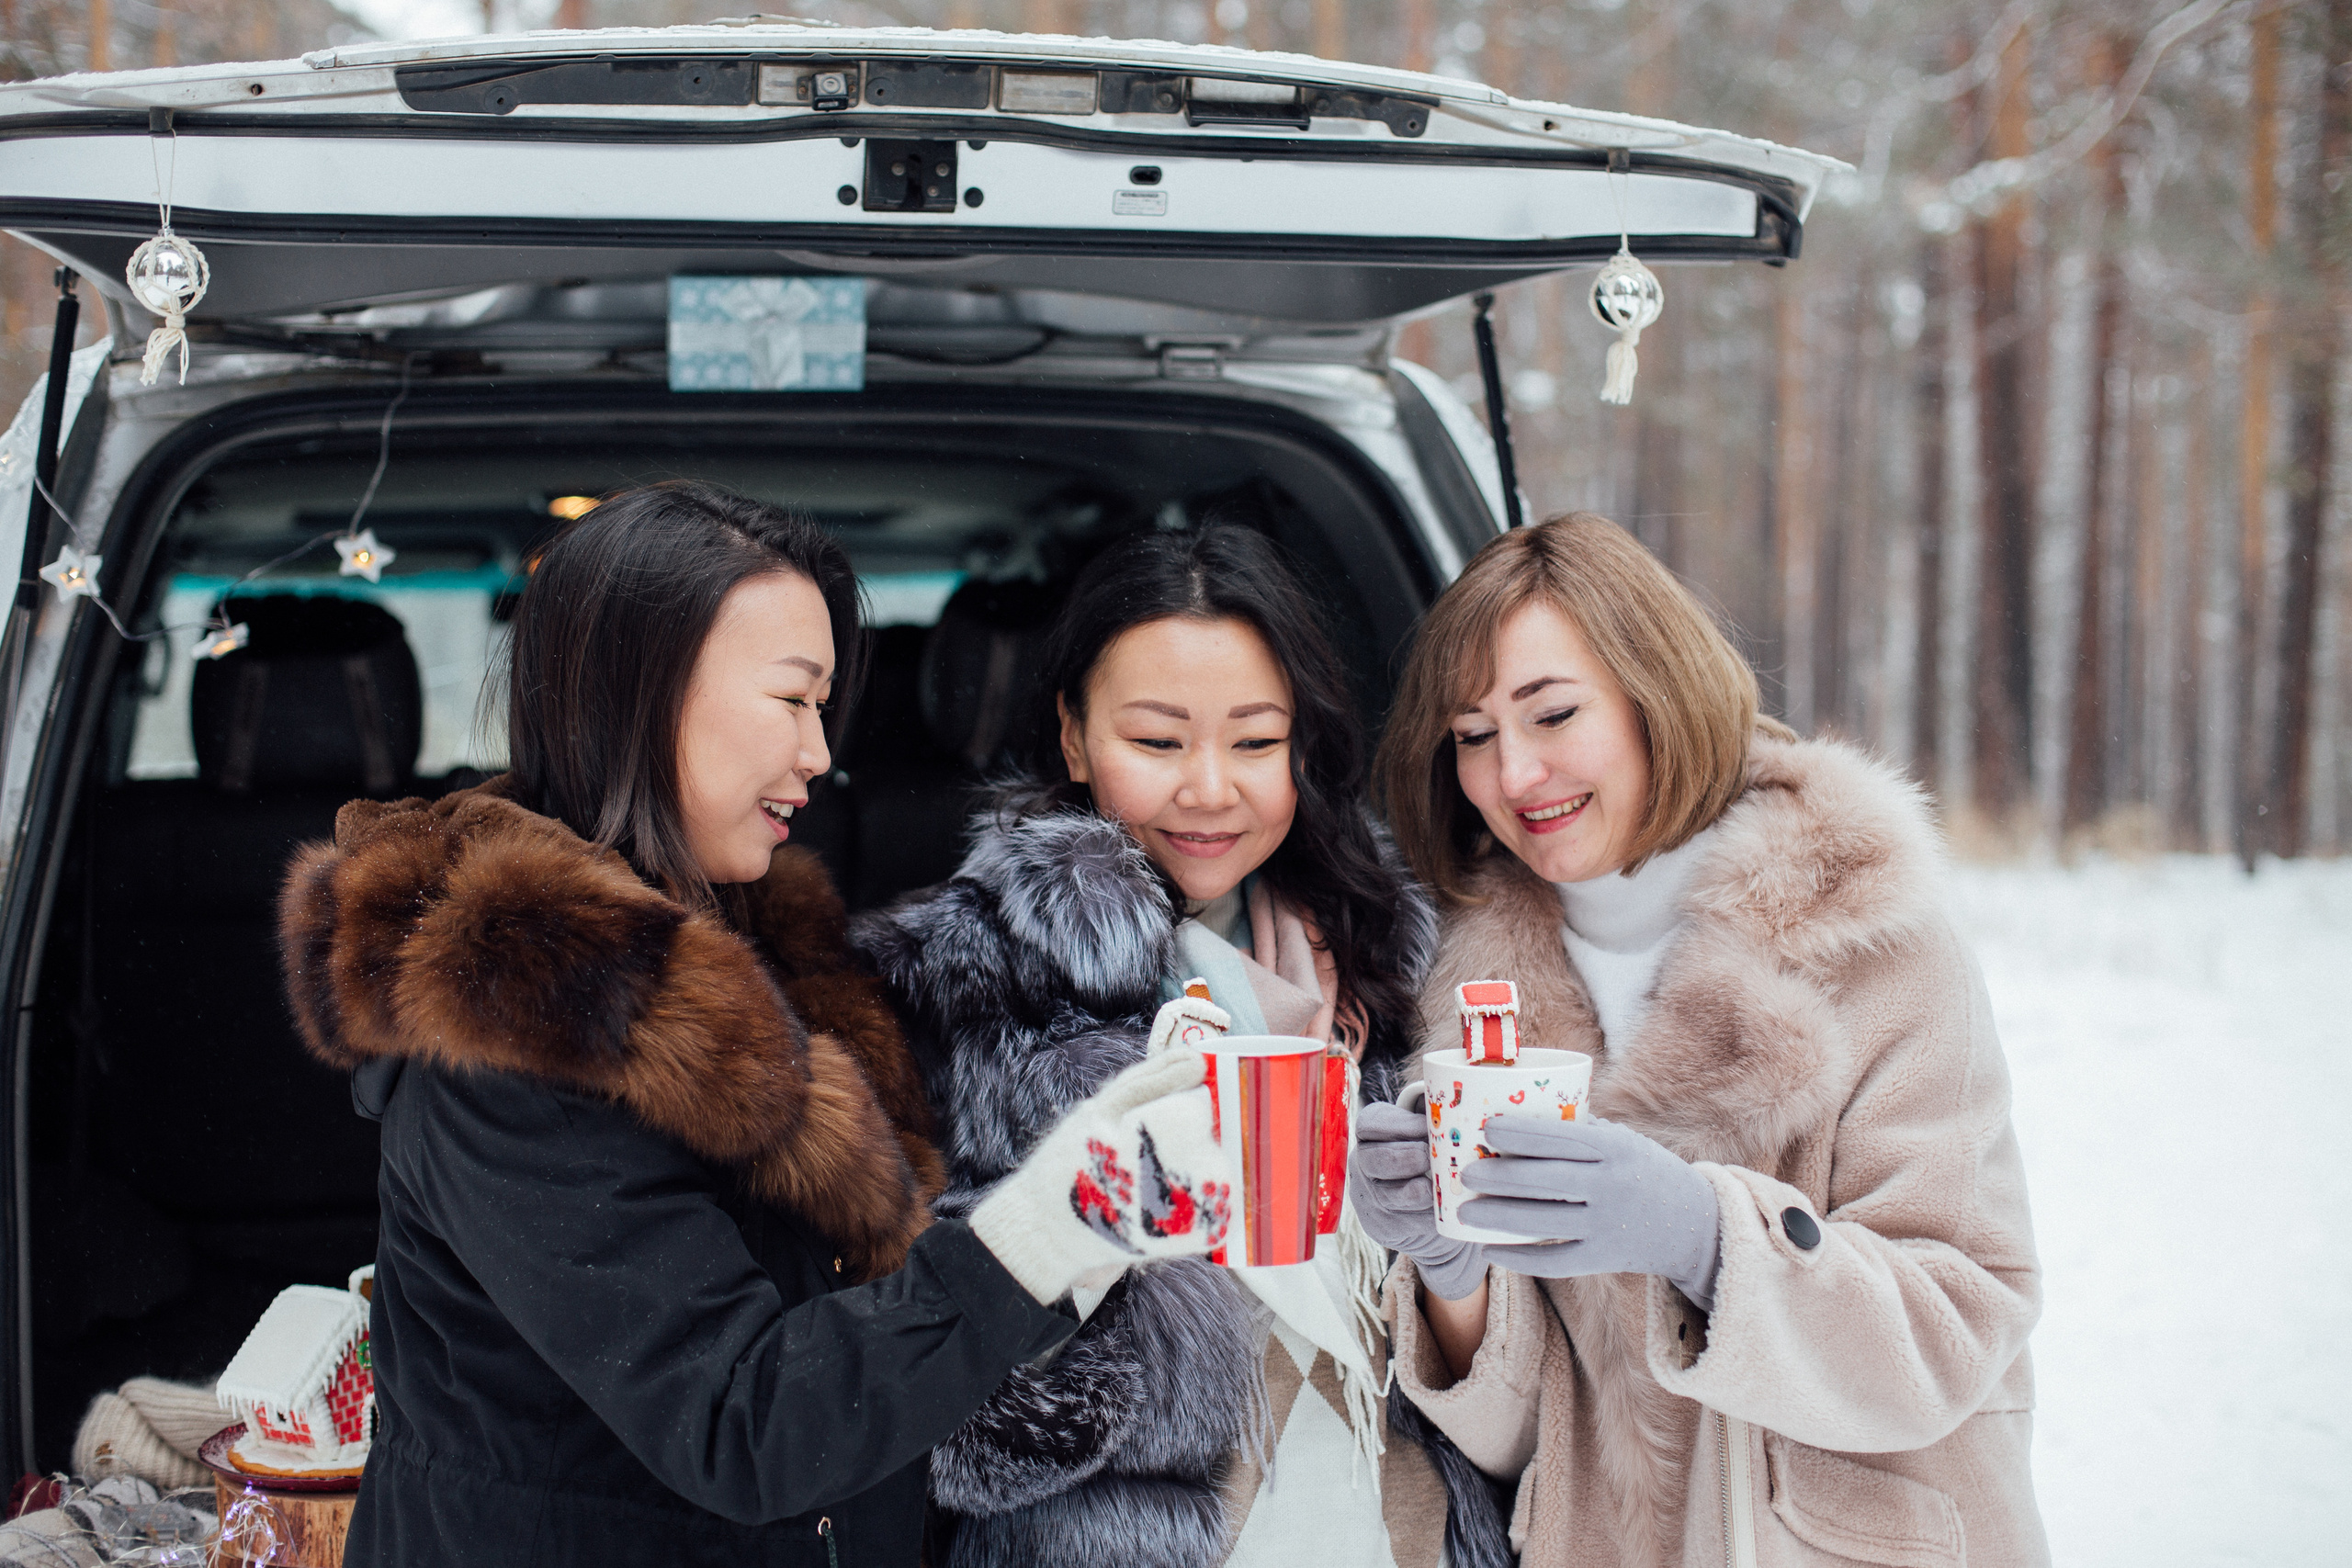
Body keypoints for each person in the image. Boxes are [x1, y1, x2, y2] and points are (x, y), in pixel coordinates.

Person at [277, 482, 1234, 1568]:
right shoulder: (510, 1022)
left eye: (823, 707)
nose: (820, 752)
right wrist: (1059, 1218)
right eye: (791, 699)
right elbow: (747, 1422)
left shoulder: (752, 962)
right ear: (642, 696)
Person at [1351, 513, 2048, 1567]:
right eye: (1473, 736)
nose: (1515, 773)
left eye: (1552, 713)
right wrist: (1453, 1275)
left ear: (1655, 689)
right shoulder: (1472, 994)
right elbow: (1537, 1453)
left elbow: (1956, 1327)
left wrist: (1705, 1239)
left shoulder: (1869, 936)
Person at [853, 526, 1513, 1568]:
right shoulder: (957, 986)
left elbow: (1512, 1377)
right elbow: (925, 1416)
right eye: (1158, 742)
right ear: (1074, 738)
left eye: (1255, 742)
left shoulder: (1401, 962)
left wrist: (1448, 1262)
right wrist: (1112, 1260)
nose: (1209, 789)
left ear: (1304, 748)